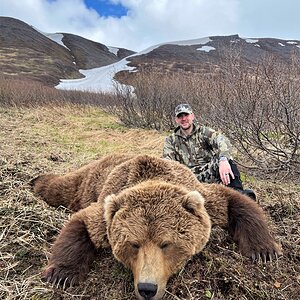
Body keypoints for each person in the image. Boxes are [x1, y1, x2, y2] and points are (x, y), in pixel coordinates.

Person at [162, 104, 256, 200]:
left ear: (192, 116)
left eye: (186, 115)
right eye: (180, 116)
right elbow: (167, 161)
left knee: (226, 160)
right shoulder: (171, 140)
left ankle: (239, 195)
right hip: (185, 178)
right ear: (176, 120)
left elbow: (222, 141)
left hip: (206, 173)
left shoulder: (204, 132)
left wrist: (223, 160)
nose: (183, 119)